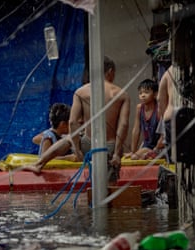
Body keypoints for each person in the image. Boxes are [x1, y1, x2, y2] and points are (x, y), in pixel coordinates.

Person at [24, 56, 130, 184]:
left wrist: (78, 150)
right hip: (110, 147)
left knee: (68, 138)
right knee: (109, 186)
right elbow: (123, 125)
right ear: (110, 71)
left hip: (88, 144)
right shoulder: (121, 94)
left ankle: (39, 164)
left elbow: (72, 122)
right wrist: (117, 154)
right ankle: (109, 190)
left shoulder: (81, 92)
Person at [124, 79, 164, 160]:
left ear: (155, 94)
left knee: (136, 157)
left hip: (160, 147)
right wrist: (133, 150)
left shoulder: (159, 109)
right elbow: (136, 130)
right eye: (140, 93)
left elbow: (164, 134)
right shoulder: (139, 108)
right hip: (147, 145)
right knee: (134, 156)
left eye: (146, 92)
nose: (143, 95)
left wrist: (155, 150)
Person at [157, 65, 175, 162]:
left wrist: (164, 117)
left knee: (173, 161)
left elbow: (160, 99)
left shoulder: (168, 72)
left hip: (170, 116)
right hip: (190, 116)